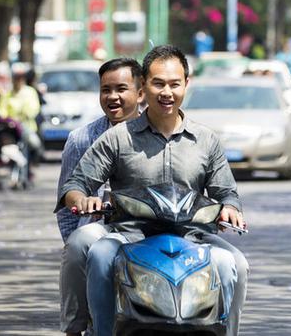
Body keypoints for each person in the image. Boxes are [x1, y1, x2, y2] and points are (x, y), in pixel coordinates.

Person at [59, 45, 248, 336]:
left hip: (191, 238)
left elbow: (227, 194)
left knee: (235, 263)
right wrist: (82, 200)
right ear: (144, 87)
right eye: (158, 83)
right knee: (98, 254)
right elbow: (76, 184)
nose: (167, 92)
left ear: (187, 84)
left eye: (175, 84)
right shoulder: (118, 137)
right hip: (128, 235)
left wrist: (230, 210)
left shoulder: (206, 140)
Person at [57, 57, 143, 334]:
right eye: (106, 90)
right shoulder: (81, 139)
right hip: (99, 231)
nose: (112, 97)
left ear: (140, 93)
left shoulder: (155, 134)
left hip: (147, 229)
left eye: (121, 89)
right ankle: (74, 326)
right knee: (76, 244)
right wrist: (82, 214)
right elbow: (67, 202)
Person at [0, 62, 41, 159]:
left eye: (20, 78)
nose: (18, 81)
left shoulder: (30, 91)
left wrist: (25, 113)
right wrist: (8, 118)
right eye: (16, 78)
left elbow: (34, 108)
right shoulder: (8, 93)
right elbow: (2, 109)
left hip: (26, 127)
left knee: (33, 145)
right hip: (11, 128)